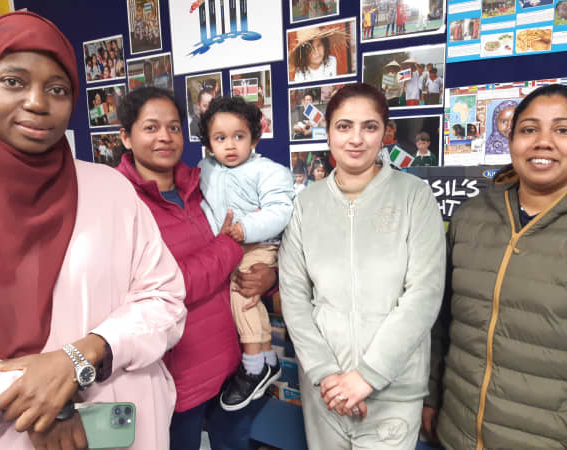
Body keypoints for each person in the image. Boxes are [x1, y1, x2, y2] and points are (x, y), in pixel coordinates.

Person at [0, 11, 187, 450]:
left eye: (57, 89)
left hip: (120, 426)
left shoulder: (109, 189)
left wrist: (82, 357)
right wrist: (42, 399)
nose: (36, 102)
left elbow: (164, 298)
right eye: (13, 81)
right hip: (3, 433)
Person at [279, 83, 445, 449]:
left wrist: (367, 377)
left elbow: (424, 294)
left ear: (385, 134)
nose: (356, 138)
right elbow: (294, 297)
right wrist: (326, 375)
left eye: (369, 127)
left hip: (393, 391)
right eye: (344, 126)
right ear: (328, 133)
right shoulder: (306, 204)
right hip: (327, 392)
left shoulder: (414, 197)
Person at [116, 87, 278, 450]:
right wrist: (229, 245)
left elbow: (252, 251)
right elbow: (167, 287)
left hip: (233, 364)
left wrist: (268, 278)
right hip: (177, 377)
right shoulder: (120, 202)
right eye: (151, 127)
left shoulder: (204, 181)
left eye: (174, 127)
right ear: (126, 136)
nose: (165, 137)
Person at [422, 83, 567, 449]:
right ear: (511, 139)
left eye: (562, 130)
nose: (543, 142)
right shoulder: (471, 217)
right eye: (529, 129)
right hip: (457, 431)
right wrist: (430, 395)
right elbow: (441, 322)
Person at [197, 96, 294, 411]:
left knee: (242, 292)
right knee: (234, 302)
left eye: (239, 136)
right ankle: (267, 359)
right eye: (220, 138)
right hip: (225, 248)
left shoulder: (268, 171)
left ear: (254, 136)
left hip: (258, 246)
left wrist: (246, 228)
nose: (230, 145)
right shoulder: (204, 170)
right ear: (209, 143)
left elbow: (281, 210)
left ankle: (254, 366)